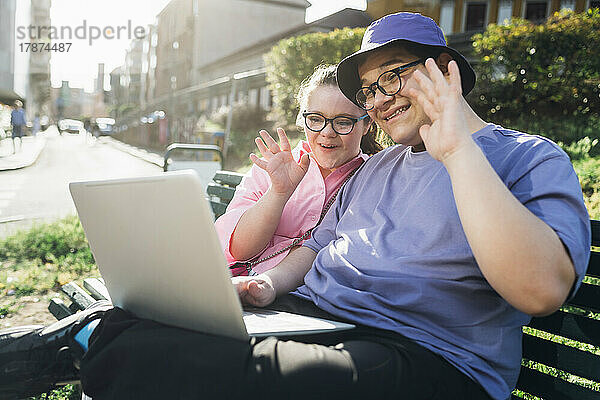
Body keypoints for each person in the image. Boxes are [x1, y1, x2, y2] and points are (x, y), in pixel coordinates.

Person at [0, 12, 591, 400]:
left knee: (232, 374)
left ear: (446, 71)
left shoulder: (527, 158)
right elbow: (314, 248)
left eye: (396, 76)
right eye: (371, 89)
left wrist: (460, 149)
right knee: (140, 320)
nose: (381, 98)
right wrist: (265, 285)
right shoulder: (377, 168)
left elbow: (540, 291)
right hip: (324, 319)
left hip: (435, 358)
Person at [215, 64, 380, 276]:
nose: (327, 132)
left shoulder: (375, 177)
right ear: (303, 120)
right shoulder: (273, 166)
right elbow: (240, 250)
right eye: (315, 119)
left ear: (366, 124)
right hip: (246, 285)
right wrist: (278, 193)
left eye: (343, 122)